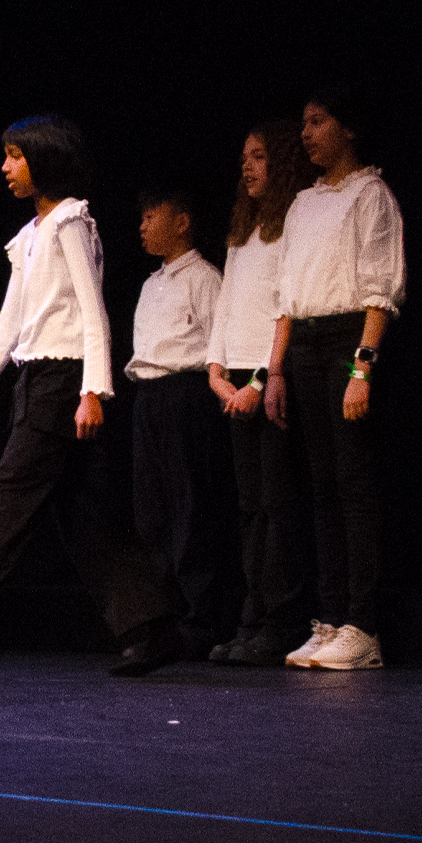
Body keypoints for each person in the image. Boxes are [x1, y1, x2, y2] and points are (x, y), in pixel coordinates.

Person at [0, 116, 184, 679]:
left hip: (64, 382)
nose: (5, 167)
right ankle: (151, 627)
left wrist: (94, 390)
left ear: (43, 159)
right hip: (34, 382)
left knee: (3, 498)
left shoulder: (71, 221)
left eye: (15, 156)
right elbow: (7, 328)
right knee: (87, 513)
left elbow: (95, 309)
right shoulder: (28, 236)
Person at [272, 89, 407, 671]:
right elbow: (286, 296)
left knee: (354, 486)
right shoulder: (302, 203)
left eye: (318, 120)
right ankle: (328, 619)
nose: (307, 132)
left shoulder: (370, 194)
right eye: (303, 121)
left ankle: (364, 624)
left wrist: (362, 368)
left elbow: (381, 289)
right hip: (304, 344)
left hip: (348, 339)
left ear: (348, 129)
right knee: (322, 488)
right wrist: (274, 369)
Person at [206, 122, 315, 668]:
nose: (248, 167)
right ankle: (253, 617)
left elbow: (286, 308)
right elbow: (226, 305)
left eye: (259, 157)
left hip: (268, 379)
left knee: (278, 505)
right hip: (236, 381)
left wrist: (256, 381)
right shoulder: (242, 233)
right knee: (250, 509)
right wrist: (216, 371)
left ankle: (283, 620)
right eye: (244, 158)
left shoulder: (290, 225)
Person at [127, 185, 238, 654]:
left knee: (191, 507)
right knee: (151, 511)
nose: (143, 225)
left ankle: (201, 620)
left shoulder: (204, 278)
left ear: (182, 221)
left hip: (187, 394)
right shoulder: (152, 283)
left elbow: (220, 343)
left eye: (153, 214)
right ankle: (164, 616)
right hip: (148, 397)